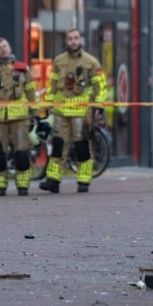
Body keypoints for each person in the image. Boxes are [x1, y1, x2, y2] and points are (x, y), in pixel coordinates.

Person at [40, 28, 106, 194]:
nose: (73, 41)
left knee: (81, 146)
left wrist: (99, 106)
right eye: (70, 38)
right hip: (60, 111)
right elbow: (52, 85)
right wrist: (48, 103)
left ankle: (83, 181)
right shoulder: (58, 61)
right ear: (66, 40)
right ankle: (53, 180)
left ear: (80, 39)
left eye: (76, 38)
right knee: (58, 145)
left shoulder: (91, 62)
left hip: (80, 112)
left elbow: (100, 86)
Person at [0, 38, 38, 196]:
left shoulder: (23, 69)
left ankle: (23, 186)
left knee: (22, 153)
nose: (2, 49)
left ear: (10, 48)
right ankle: (0, 186)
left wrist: (36, 114)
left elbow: (31, 93)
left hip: (20, 118)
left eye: (4, 46)